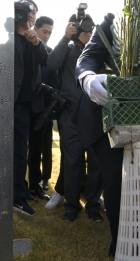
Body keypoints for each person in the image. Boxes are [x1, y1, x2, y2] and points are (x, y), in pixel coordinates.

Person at [75, 13, 124, 257]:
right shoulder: (112, 22)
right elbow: (89, 57)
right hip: (109, 115)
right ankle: (121, 244)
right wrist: (88, 79)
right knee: (117, 176)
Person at [46, 15, 104, 223]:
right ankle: (71, 206)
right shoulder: (68, 49)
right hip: (70, 113)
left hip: (95, 113)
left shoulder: (98, 50)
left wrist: (97, 41)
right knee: (72, 161)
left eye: (89, 28)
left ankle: (93, 204)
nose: (86, 32)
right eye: (81, 28)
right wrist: (64, 38)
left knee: (96, 161)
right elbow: (51, 63)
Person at [12, 0, 49, 217]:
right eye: (27, 12)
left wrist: (36, 42)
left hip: (26, 105)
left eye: (34, 13)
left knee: (21, 153)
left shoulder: (34, 40)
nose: (31, 16)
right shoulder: (8, 34)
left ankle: (19, 193)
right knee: (11, 152)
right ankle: (15, 195)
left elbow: (46, 60)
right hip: (8, 101)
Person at [27, 16, 57, 201]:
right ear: (35, 28)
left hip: (42, 109)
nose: (46, 36)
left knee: (41, 148)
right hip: (23, 106)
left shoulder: (51, 55)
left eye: (49, 33)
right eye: (44, 32)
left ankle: (39, 182)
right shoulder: (23, 48)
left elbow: (54, 81)